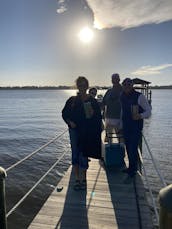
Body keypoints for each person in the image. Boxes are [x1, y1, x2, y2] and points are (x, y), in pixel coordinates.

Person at [62, 76, 102, 190]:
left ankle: (84, 179)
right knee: (75, 154)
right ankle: (77, 179)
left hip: (86, 132)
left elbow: (98, 118)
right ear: (77, 86)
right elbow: (64, 114)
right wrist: (70, 122)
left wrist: (93, 113)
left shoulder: (92, 101)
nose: (82, 87)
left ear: (87, 86)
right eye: (80, 85)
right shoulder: (72, 100)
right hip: (74, 131)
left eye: (84, 85)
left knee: (84, 154)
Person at [120, 78, 151, 183]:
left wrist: (140, 115)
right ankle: (130, 168)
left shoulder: (140, 96)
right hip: (126, 127)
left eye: (129, 84)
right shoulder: (122, 96)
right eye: (124, 84)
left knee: (133, 149)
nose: (126, 86)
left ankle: (133, 171)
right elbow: (122, 111)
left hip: (136, 128)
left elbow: (148, 112)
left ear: (132, 85)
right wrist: (120, 124)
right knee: (128, 148)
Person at [102, 73, 122, 141]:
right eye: (113, 78)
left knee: (121, 141)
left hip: (120, 119)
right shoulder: (109, 91)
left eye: (116, 78)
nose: (114, 80)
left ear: (119, 79)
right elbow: (103, 103)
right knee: (108, 141)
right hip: (108, 119)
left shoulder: (123, 90)